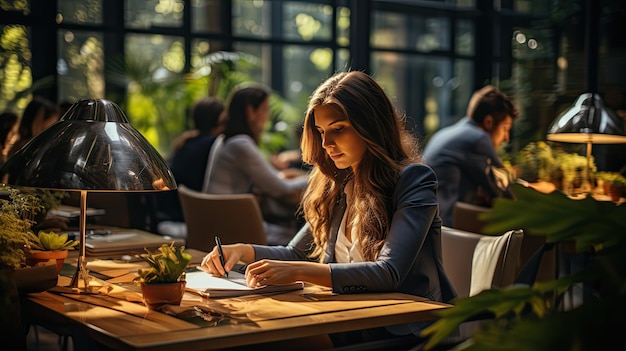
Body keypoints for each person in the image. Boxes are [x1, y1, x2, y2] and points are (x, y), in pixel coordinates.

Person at [201, 71, 456, 348]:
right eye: (321, 132)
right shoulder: (339, 182)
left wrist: (297, 271)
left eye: (338, 128)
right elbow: (297, 253)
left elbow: (389, 272)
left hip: (403, 331)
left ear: (370, 125)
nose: (326, 144)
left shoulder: (414, 180)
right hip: (348, 319)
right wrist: (242, 251)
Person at [206, 84, 309, 245]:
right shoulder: (240, 144)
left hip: (219, 223)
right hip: (233, 229)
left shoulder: (225, 140)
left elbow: (273, 181)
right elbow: (281, 188)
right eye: (265, 109)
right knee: (306, 242)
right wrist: (316, 177)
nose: (268, 115)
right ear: (250, 111)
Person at [422, 85, 519, 226]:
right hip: (448, 227)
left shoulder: (447, 133)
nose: (506, 138)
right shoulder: (478, 138)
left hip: (430, 222)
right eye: (505, 128)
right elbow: (502, 191)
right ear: (489, 122)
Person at [154, 96, 227, 238]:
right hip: (189, 214)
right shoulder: (215, 145)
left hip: (171, 210)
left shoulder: (185, 142)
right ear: (220, 120)